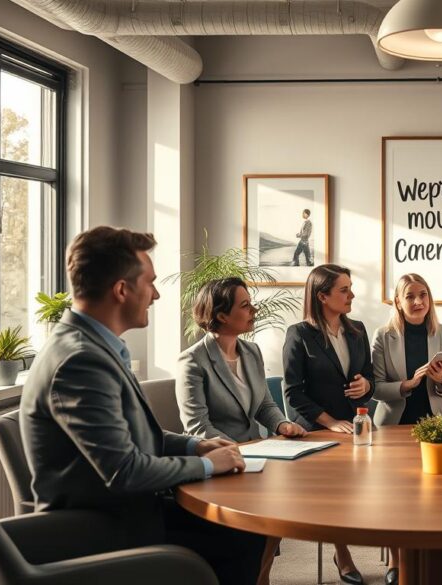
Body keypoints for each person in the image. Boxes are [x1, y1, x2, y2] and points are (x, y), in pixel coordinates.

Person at [20, 226, 266, 585]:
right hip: (103, 529)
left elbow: (134, 435)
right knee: (239, 535)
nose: (156, 294)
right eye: (149, 282)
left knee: (243, 528)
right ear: (122, 290)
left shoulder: (98, 348)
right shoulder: (80, 361)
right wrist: (205, 465)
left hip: (124, 512)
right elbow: (125, 471)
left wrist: (196, 444)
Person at [176, 277, 308, 581]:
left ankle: (260, 576)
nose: (254, 309)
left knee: (281, 511)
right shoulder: (192, 361)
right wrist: (239, 453)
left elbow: (264, 405)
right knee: (259, 526)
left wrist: (283, 424)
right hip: (222, 461)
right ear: (222, 315)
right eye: (245, 305)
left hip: (257, 456)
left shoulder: (252, 353)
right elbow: (197, 426)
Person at [282, 263, 373, 584]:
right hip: (317, 431)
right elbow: (293, 393)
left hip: (358, 426)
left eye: (350, 287)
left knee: (388, 487)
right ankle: (343, 554)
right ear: (322, 296)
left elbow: (369, 377)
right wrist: (330, 422)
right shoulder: (299, 335)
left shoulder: (358, 330)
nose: (352, 295)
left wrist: (366, 386)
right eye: (344, 290)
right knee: (336, 496)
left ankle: (398, 557)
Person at [371, 273, 442, 585]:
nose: (418, 301)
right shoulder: (383, 336)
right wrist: (408, 384)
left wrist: (440, 381)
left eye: (423, 294)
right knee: (396, 500)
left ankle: (437, 559)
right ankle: (397, 562)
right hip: (395, 427)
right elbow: (377, 389)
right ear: (398, 301)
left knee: (439, 499)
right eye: (410, 296)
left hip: (436, 427)